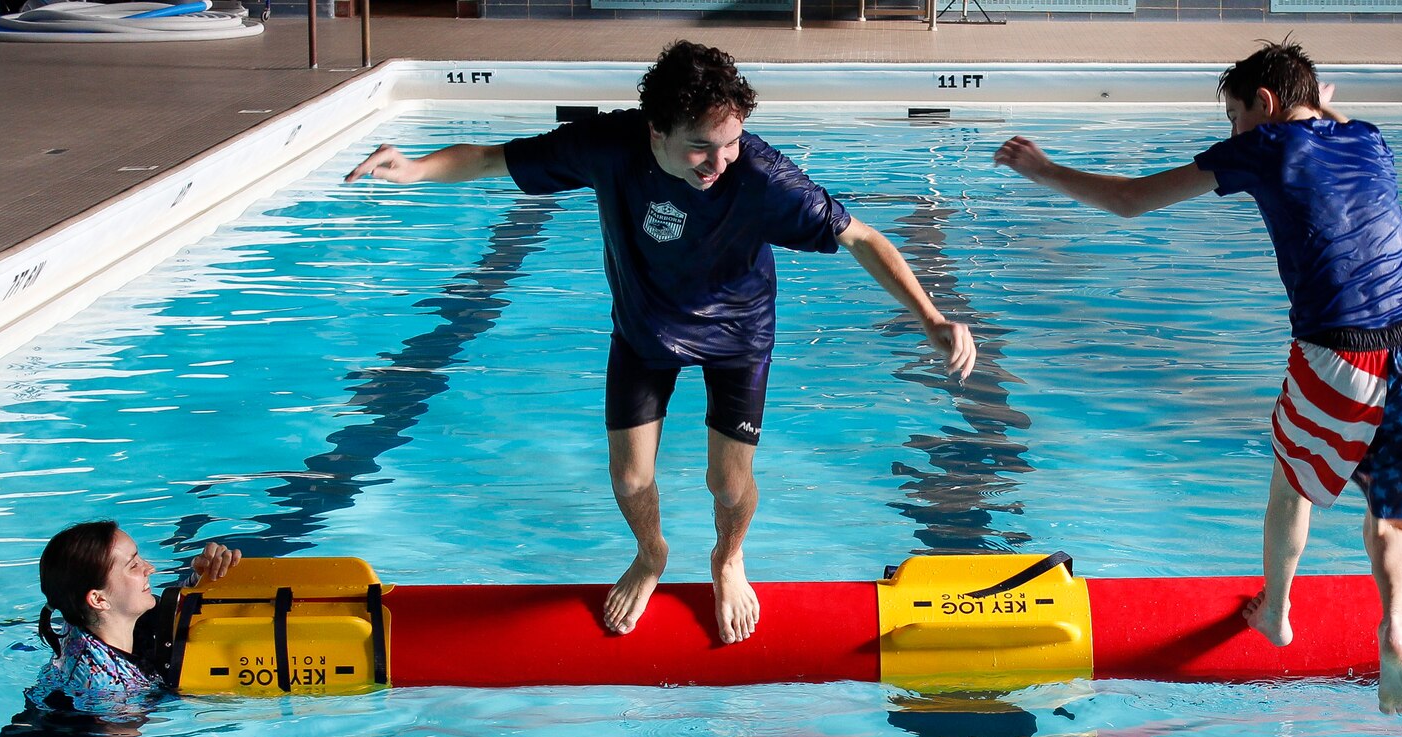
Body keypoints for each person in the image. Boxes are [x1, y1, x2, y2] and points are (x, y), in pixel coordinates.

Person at [344, 42, 976, 645]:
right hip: (647, 332)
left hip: (738, 334)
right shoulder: (608, 148)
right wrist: (416, 168)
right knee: (629, 476)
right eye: (701, 149)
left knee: (728, 486)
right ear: (656, 131)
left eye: (729, 143)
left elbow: (861, 238)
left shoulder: (762, 176)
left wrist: (930, 317)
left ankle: (729, 561)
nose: (720, 163)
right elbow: (493, 159)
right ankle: (652, 554)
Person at [993, 42, 1402, 714]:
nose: (1231, 133)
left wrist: (1044, 168)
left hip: (1342, 357)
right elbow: (1327, 110)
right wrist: (1316, 93)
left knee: (1290, 489)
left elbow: (1128, 200)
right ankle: (1397, 631)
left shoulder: (1265, 148)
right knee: (1392, 527)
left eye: (1235, 116)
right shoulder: (1369, 138)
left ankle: (1278, 612)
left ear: (1265, 106)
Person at [31, 520, 240, 716]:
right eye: (133, 565)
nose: (150, 568)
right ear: (98, 599)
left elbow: (171, 612)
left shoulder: (88, 616)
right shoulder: (109, 692)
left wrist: (206, 577)